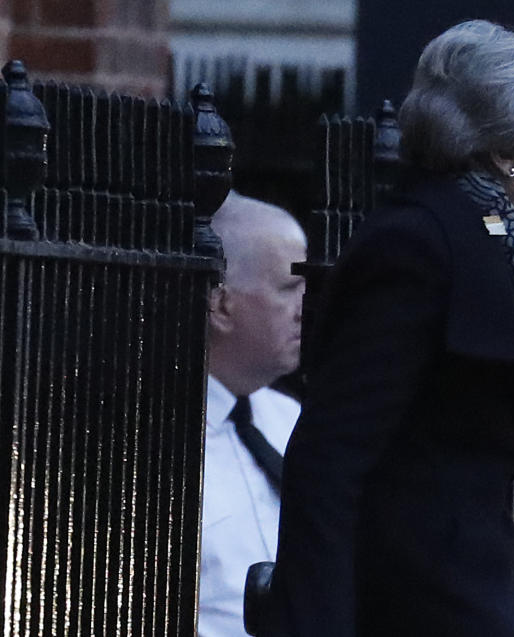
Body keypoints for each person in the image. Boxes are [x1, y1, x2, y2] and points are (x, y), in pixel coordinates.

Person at [266, 19, 514, 637]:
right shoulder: (416, 245)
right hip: (421, 600)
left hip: (466, 586)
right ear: (506, 150)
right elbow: (329, 459)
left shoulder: (493, 239)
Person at [198, 192, 307, 637]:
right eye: (288, 287)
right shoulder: (152, 441)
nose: (307, 306)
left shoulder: (291, 420)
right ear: (221, 304)